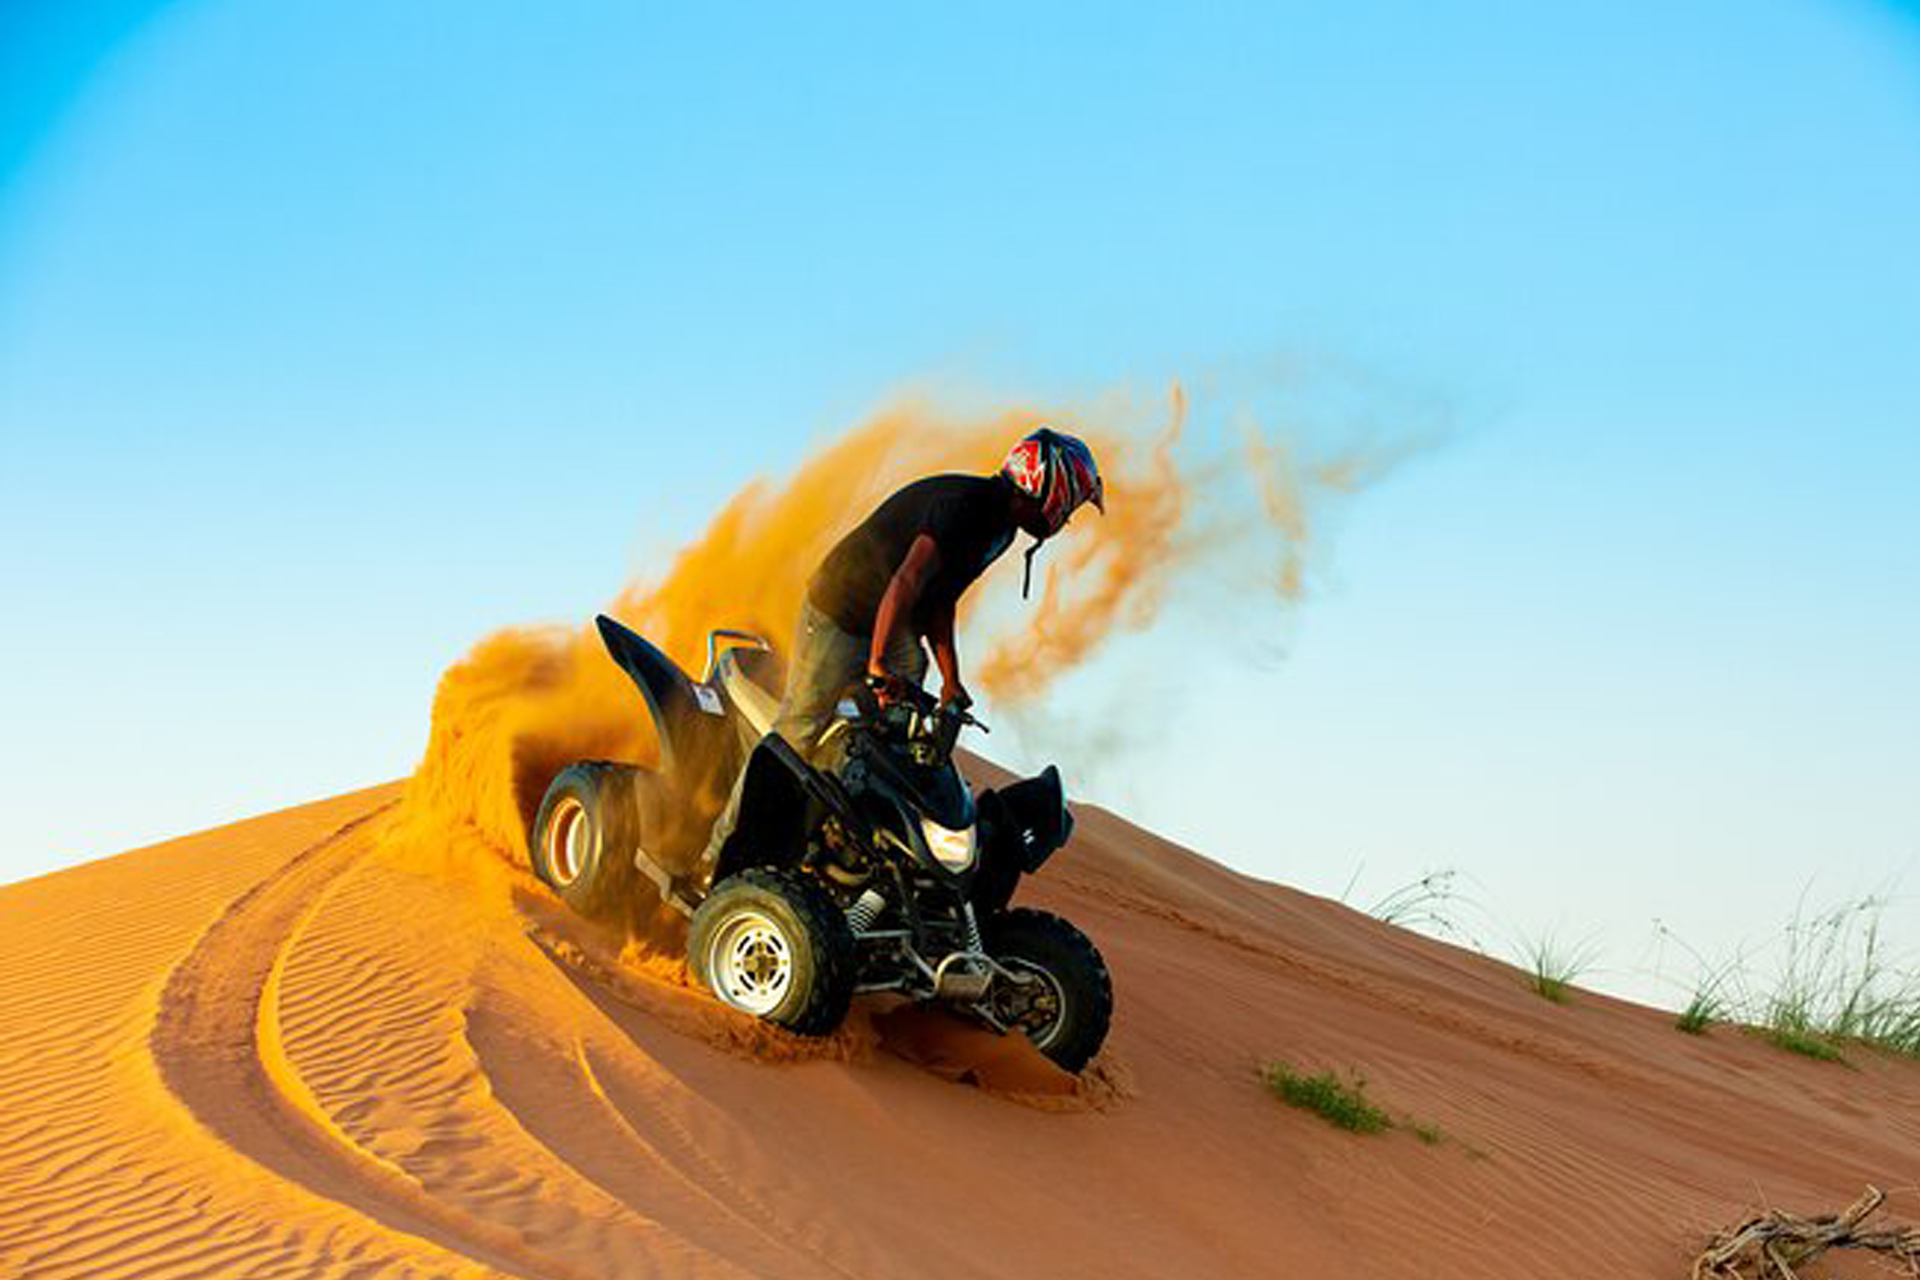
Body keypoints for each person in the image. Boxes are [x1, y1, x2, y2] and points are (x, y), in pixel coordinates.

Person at [691, 426, 1105, 878]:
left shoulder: (1000, 530)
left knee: (902, 717)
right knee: (798, 727)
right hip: (842, 611)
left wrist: (951, 679)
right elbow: (906, 580)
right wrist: (877, 663)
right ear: (1048, 486)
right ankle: (716, 854)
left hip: (890, 618)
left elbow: (939, 600)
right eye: (1071, 503)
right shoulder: (969, 508)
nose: (1066, 517)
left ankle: (851, 832)